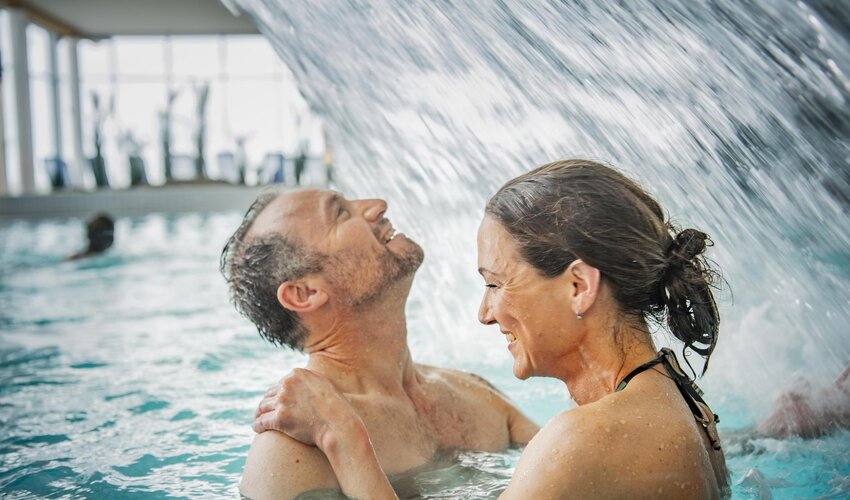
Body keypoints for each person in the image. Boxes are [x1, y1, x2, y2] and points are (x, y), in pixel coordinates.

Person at [253, 159, 731, 499]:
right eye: (339, 213)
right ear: (302, 294)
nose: (484, 313)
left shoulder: (576, 438)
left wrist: (344, 439)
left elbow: (584, 456)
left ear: (580, 286)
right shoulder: (681, 399)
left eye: (497, 283)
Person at [220, 188, 539, 499]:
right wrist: (340, 435)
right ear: (304, 294)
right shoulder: (290, 451)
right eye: (341, 213)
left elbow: (579, 472)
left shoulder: (472, 390)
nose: (378, 205)